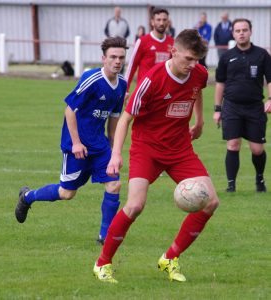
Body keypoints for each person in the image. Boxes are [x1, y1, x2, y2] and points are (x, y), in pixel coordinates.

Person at [93, 29, 220, 283]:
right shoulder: (152, 80)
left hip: (180, 149)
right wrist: (115, 154)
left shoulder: (199, 73)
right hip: (147, 150)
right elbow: (126, 118)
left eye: (197, 60)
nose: (193, 65)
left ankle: (170, 257)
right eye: (188, 59)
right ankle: (102, 263)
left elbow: (198, 90)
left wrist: (200, 120)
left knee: (211, 202)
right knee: (135, 205)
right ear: (174, 51)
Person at [15, 37, 129, 246]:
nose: (117, 61)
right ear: (103, 58)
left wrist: (114, 150)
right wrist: (76, 143)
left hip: (100, 145)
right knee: (67, 193)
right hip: (76, 145)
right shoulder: (91, 79)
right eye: (113, 57)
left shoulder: (122, 84)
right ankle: (28, 196)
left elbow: (114, 118)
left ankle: (105, 237)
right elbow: (70, 110)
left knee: (114, 184)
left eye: (121, 57)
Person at [213, 18, 271, 193]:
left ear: (250, 31)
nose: (241, 33)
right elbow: (220, 84)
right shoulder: (226, 57)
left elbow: (270, 80)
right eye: (238, 31)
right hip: (231, 106)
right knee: (233, 144)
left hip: (255, 107)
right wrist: (217, 109)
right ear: (233, 33)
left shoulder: (262, 55)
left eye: (244, 30)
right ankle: (231, 185)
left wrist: (270, 98)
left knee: (257, 149)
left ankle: (259, 180)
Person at [125, 7, 174, 92]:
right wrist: (125, 89)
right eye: (158, 20)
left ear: (168, 22)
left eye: (164, 20)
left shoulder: (172, 42)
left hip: (162, 91)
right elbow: (132, 66)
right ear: (152, 22)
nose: (161, 23)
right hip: (144, 90)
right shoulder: (142, 41)